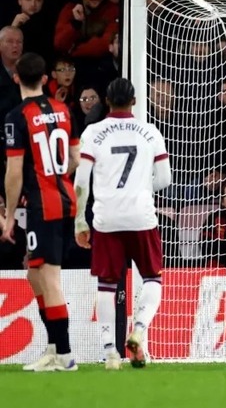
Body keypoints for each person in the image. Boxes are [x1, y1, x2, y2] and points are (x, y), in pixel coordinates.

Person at [73, 78, 172, 370]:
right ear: (135, 101)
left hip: (107, 218)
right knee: (152, 277)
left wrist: (80, 220)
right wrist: (140, 188)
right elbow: (165, 179)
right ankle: (138, 330)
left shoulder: (93, 132)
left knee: (106, 283)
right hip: (141, 215)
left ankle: (109, 352)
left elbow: (81, 181)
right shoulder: (150, 132)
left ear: (106, 101)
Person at [1, 52, 80, 372]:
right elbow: (75, 158)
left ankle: (65, 355)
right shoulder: (63, 110)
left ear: (16, 78)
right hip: (66, 201)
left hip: (43, 206)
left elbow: (14, 173)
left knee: (48, 277)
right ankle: (53, 348)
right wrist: (56, 176)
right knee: (34, 274)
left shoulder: (17, 117)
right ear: (47, 78)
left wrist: (9, 217)